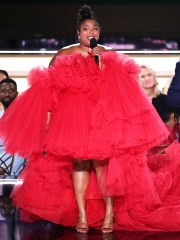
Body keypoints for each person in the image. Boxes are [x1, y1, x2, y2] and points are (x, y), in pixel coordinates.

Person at [1, 4, 180, 234]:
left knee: (103, 166)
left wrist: (102, 63)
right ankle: (82, 215)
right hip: (73, 120)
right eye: (86, 28)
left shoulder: (108, 55)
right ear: (78, 33)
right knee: (80, 164)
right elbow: (48, 87)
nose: (91, 32)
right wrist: (48, 115)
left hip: (102, 118)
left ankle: (108, 214)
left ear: (99, 32)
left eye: (95, 28)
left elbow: (122, 91)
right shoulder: (64, 55)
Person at [0, 78, 26, 178]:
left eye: (10, 91)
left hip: (19, 173)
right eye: (3, 91)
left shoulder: (26, 118)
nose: (7, 94)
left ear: (17, 94)